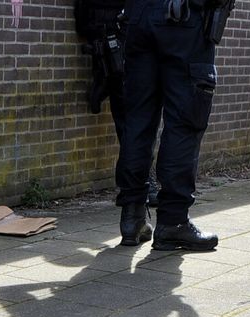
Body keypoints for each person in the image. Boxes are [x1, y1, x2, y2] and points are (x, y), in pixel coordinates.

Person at [116, 0, 232, 251]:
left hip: (139, 17)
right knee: (185, 121)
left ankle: (132, 218)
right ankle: (172, 222)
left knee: (138, 119)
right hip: (183, 18)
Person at [75, 0, 160, 206]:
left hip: (120, 46)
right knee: (133, 123)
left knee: (131, 122)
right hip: (118, 47)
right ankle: (138, 186)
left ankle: (137, 187)